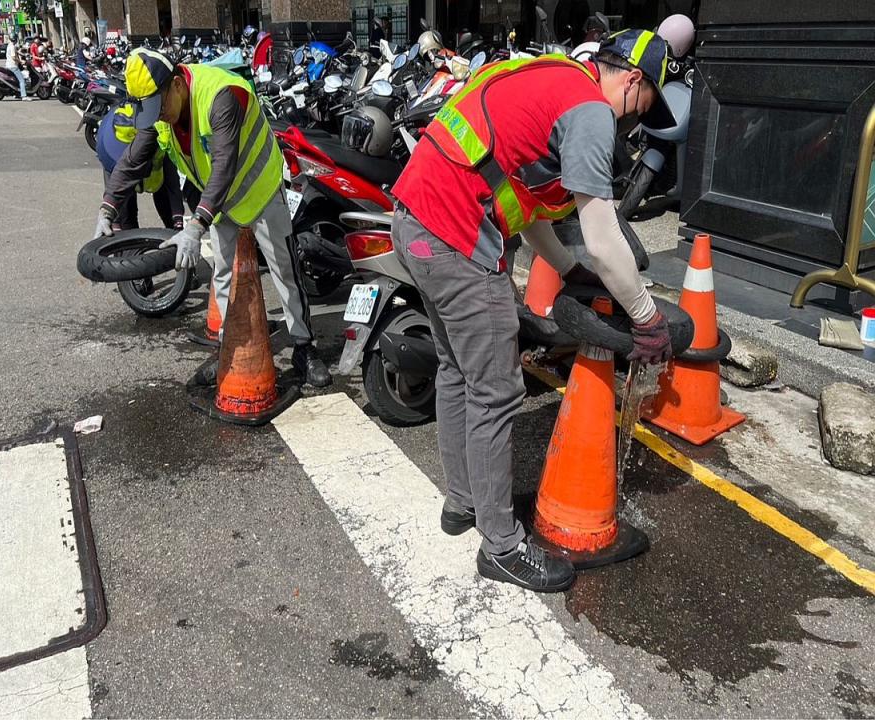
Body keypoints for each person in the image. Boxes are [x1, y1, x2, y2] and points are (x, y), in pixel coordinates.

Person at [390, 30, 676, 593]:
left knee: (457, 371)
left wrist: (566, 270)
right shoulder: (592, 112)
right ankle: (500, 546)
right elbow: (603, 235)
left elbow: (523, 205)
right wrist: (645, 314)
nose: (640, 120)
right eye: (648, 105)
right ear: (635, 82)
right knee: (497, 390)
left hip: (413, 223)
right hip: (454, 239)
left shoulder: (552, 78)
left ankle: (463, 504)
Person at [93, 49, 331, 387]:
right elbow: (134, 158)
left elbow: (224, 164)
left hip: (259, 188)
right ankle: (225, 351)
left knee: (284, 270)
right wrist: (108, 206)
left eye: (159, 107)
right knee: (222, 273)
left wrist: (196, 224)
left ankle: (305, 348)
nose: (158, 117)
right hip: (218, 203)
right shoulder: (161, 111)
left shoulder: (221, 95)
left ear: (176, 85)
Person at [96, 101, 185, 231]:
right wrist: (110, 216)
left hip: (158, 176)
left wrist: (177, 220)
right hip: (123, 179)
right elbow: (114, 189)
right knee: (124, 222)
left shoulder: (159, 137)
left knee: (173, 221)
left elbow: (172, 184)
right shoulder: (107, 148)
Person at [4, 34, 31, 100]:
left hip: (8, 65)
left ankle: (17, 93)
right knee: (22, 80)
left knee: (16, 80)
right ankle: (24, 96)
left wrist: (24, 54)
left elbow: (17, 52)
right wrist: (21, 61)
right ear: (15, 39)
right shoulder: (12, 46)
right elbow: (13, 57)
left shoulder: (9, 45)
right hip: (13, 66)